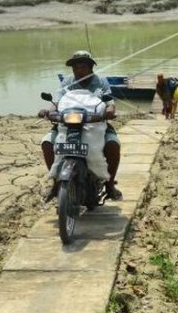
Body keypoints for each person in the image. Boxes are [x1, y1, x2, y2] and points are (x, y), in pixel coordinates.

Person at [38, 50, 122, 201]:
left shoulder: (101, 82)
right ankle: (56, 183)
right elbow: (57, 102)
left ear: (90, 67)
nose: (78, 70)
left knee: (113, 144)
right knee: (47, 142)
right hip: (67, 124)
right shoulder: (67, 82)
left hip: (95, 124)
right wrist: (48, 111)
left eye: (82, 67)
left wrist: (109, 111)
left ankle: (110, 184)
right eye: (75, 67)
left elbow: (110, 102)